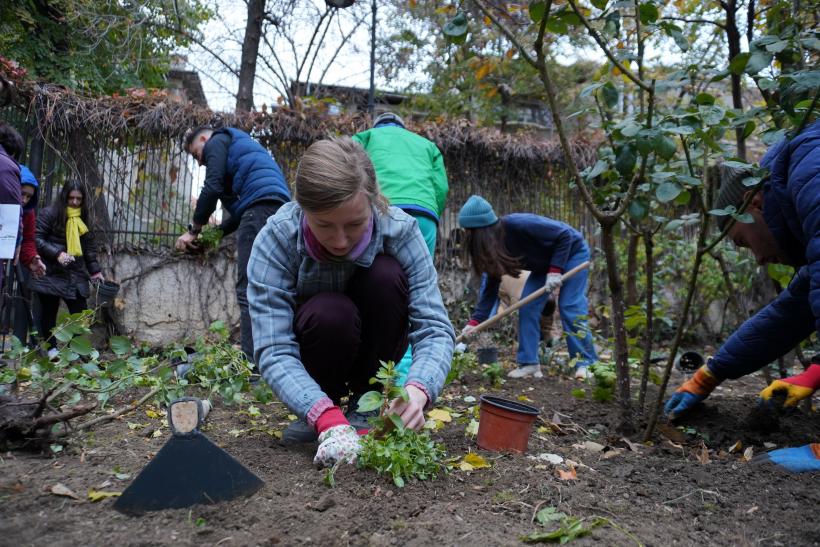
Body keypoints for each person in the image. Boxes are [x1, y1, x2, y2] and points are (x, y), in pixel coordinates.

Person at [247, 136, 454, 466]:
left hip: (376, 343)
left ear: (372, 203)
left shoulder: (400, 231)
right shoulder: (276, 239)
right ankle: (319, 407)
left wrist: (418, 390)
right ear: (303, 208)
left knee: (386, 275)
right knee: (329, 312)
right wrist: (323, 415)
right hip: (319, 345)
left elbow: (434, 329)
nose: (340, 240)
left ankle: (364, 406)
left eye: (355, 224)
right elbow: (273, 347)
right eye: (324, 225)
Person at [664, 120, 820, 473]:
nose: (759, 259)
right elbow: (790, 314)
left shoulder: (811, 169)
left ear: (755, 201)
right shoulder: (800, 184)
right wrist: (711, 373)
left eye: (741, 241)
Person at [176, 126, 291, 366]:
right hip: (277, 209)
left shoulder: (217, 140)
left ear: (204, 140)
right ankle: (277, 357)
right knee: (272, 287)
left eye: (197, 155)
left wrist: (193, 230)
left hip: (259, 211)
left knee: (247, 287)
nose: (200, 163)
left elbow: (212, 186)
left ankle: (252, 363)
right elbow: (238, 217)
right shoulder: (241, 154)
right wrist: (211, 237)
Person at [352, 111, 449, 383]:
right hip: (422, 216)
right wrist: (431, 212)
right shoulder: (425, 144)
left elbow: (343, 167)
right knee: (415, 291)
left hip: (379, 209)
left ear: (377, 125)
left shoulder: (367, 136)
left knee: (371, 283)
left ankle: (370, 371)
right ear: (402, 127)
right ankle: (403, 374)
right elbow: (440, 187)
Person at [458, 195, 597, 379]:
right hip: (543, 265)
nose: (469, 238)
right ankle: (529, 363)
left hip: (573, 253)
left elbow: (566, 236)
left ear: (482, 230)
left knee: (569, 305)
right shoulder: (494, 249)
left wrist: (555, 271)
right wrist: (473, 324)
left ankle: (586, 363)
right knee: (528, 306)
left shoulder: (518, 224)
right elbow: (490, 291)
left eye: (471, 233)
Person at [30, 180, 103, 356]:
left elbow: (89, 248)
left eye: (79, 199)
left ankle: (75, 352)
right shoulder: (50, 213)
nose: (75, 202)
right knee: (49, 313)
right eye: (72, 198)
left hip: (75, 273)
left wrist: (95, 271)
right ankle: (52, 350)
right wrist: (57, 254)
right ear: (65, 196)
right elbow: (36, 239)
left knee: (79, 316)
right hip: (52, 272)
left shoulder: (84, 217)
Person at [14, 166, 46, 344]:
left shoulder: (28, 212)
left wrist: (33, 258)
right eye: (22, 194)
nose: (25, 199)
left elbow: (27, 240)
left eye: (29, 196)